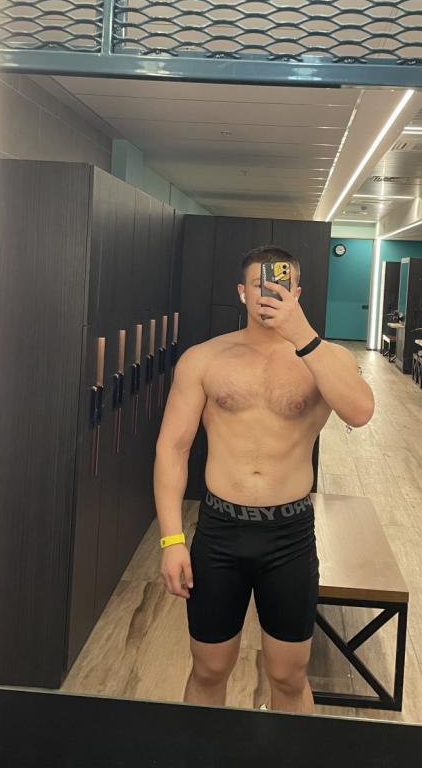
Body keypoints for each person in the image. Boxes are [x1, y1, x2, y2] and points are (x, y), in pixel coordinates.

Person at [153, 245, 374, 713]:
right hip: (220, 531)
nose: (268, 293)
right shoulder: (204, 358)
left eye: (279, 284)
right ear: (241, 292)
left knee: (289, 675)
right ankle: (202, 756)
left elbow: (360, 412)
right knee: (208, 668)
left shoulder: (325, 358)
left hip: (289, 535)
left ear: (297, 292)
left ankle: (286, 758)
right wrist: (172, 539)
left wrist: (303, 336)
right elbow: (173, 449)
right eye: (258, 284)